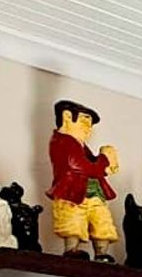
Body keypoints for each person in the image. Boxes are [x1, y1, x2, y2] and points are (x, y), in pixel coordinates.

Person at [47, 99, 120, 261]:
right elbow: (79, 165)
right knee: (73, 221)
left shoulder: (80, 145)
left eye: (90, 124)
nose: (89, 128)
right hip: (72, 193)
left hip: (94, 193)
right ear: (67, 117)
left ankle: (101, 253)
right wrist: (104, 160)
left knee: (101, 221)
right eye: (84, 121)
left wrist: (106, 158)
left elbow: (91, 164)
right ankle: (72, 250)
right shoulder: (63, 141)